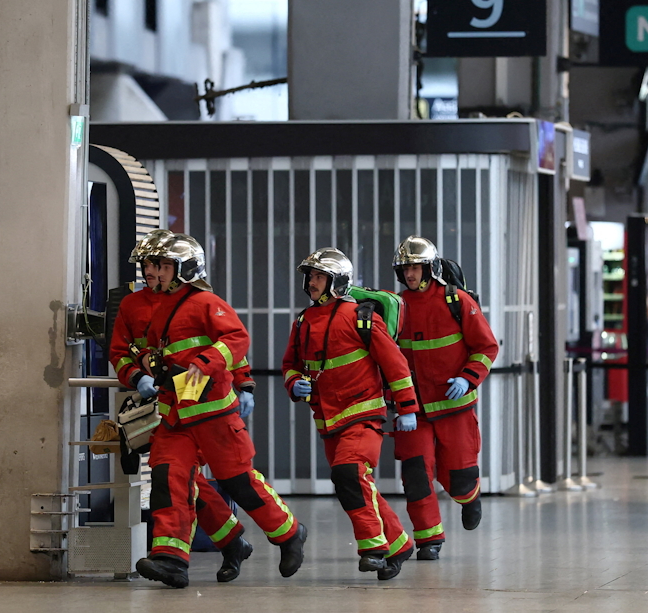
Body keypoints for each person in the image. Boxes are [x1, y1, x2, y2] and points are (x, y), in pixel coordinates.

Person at [131, 233, 305, 588]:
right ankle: (171, 560)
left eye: (164, 266)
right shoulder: (161, 306)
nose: (157, 273)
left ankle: (289, 534)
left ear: (184, 270)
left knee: (239, 482)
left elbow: (236, 338)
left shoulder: (205, 302)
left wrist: (207, 365)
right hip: (176, 417)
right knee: (168, 479)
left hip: (214, 414)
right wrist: (146, 366)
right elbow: (153, 350)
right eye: (157, 266)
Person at [108, 229, 255, 583]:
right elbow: (119, 351)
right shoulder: (131, 305)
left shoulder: (197, 300)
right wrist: (135, 377)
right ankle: (201, 550)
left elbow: (226, 345)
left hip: (205, 404)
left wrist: (245, 383)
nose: (151, 271)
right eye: (147, 264)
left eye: (158, 264)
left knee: (183, 478)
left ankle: (216, 546)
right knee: (176, 478)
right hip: (165, 405)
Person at [282, 248, 418, 580]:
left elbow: (395, 364)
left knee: (350, 473)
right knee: (356, 482)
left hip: (363, 414)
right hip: (328, 420)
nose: (311, 283)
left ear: (337, 281)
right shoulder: (303, 321)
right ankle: (398, 543)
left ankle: (373, 548)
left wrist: (407, 407)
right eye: (310, 277)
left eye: (319, 277)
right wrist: (294, 382)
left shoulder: (361, 317)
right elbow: (291, 364)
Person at [391, 236, 498, 559]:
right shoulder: (396, 307)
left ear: (430, 268)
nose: (410, 274)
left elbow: (486, 347)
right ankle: (429, 540)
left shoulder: (457, 300)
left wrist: (468, 379)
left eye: (415, 267)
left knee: (459, 477)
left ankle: (469, 497)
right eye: (405, 269)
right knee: (416, 476)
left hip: (455, 407)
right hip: (414, 411)